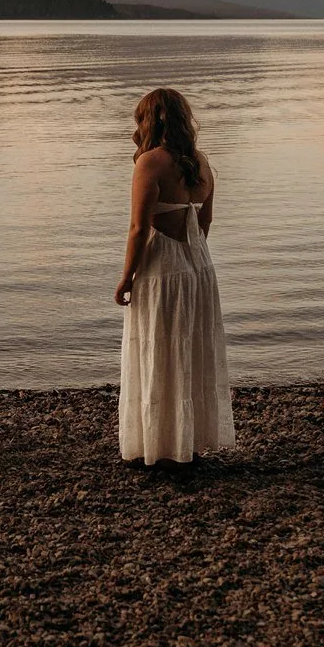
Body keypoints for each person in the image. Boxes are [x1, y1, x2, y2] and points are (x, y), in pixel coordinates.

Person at [114, 87, 234, 466]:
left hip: (162, 268)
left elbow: (137, 228)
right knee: (191, 350)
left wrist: (126, 277)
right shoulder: (200, 162)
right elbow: (206, 221)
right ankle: (188, 443)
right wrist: (190, 256)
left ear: (150, 120)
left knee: (158, 348)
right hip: (199, 266)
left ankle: (161, 445)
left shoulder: (150, 162)